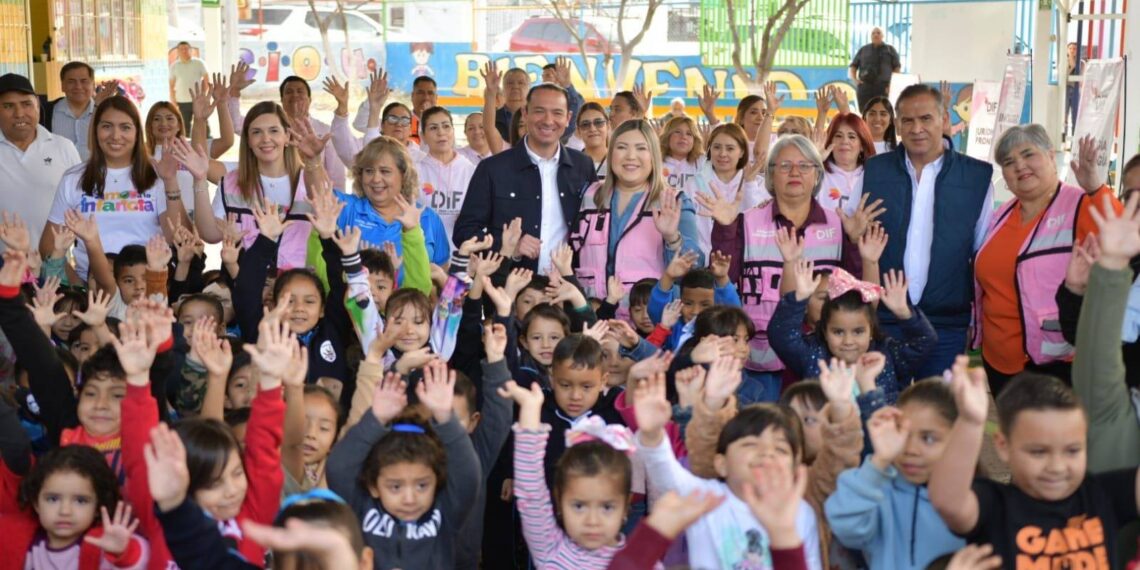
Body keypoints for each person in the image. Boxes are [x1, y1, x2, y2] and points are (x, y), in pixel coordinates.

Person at [700, 135, 876, 401]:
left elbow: (853, 292)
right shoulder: (746, 221)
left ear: (817, 174)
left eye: (805, 166)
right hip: (756, 358)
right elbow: (725, 276)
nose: (795, 172)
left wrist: (853, 242)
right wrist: (725, 227)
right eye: (785, 166)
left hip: (819, 358)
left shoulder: (838, 223)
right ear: (771, 175)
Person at [928, 356, 1140, 570]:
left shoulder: (1102, 495)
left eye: (1072, 450)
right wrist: (970, 422)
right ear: (1003, 445)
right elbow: (948, 502)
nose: (1057, 466)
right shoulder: (995, 505)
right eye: (1038, 452)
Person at [973, 127, 1118, 393]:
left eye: (1028, 154)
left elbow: (1123, 240)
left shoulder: (1081, 204)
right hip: (999, 361)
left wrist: (1096, 189)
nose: (1020, 166)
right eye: (1009, 162)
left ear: (1051, 156)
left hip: (1054, 363)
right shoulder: (1003, 213)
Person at [863, 83, 993, 378]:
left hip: (946, 323)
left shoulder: (976, 178)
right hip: (884, 321)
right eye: (907, 120)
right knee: (882, 413)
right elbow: (857, 240)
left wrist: (977, 316)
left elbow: (981, 254)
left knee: (936, 416)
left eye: (926, 119)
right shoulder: (873, 171)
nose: (916, 128)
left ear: (943, 119)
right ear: (897, 124)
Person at [40, 96, 189, 281]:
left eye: (125, 127)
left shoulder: (157, 175)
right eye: (107, 126)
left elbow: (177, 239)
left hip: (148, 287)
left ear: (137, 133)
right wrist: (78, 287)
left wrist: (170, 180)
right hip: (92, 288)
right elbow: (48, 246)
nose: (115, 135)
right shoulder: (74, 178)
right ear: (95, 131)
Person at [453, 83, 597, 274]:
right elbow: (464, 231)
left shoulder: (583, 166)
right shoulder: (492, 169)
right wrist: (509, 245)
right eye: (539, 111)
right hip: (507, 291)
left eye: (557, 113)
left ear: (568, 118)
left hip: (566, 289)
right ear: (525, 113)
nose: (548, 120)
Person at [824, 380, 966, 570]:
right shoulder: (879, 491)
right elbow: (845, 526)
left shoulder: (973, 503)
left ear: (959, 439)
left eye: (928, 438)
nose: (911, 449)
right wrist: (879, 462)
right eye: (902, 434)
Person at [568, 119, 702, 301]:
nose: (631, 156)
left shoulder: (674, 201)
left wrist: (672, 238)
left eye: (641, 148)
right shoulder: (589, 195)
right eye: (622, 147)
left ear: (653, 155)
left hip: (649, 318)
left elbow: (695, 271)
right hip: (593, 317)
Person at [227, 67, 347, 189]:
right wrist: (234, 91)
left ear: (309, 100)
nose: (295, 95)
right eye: (289, 92)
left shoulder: (325, 131)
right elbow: (236, 124)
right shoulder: (270, 127)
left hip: (313, 198)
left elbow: (336, 176)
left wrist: (336, 203)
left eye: (300, 91)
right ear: (282, 100)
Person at [0, 73, 81, 252]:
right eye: (8, 106)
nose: (19, 114)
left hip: (54, 262)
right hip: (5, 265)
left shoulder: (63, 148)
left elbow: (81, 205)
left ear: (37, 103)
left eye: (26, 104)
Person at [415, 106, 476, 241]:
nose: (441, 132)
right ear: (423, 136)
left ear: (453, 132)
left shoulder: (471, 171)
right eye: (433, 128)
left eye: (446, 126)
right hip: (426, 252)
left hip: (463, 253)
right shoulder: (414, 172)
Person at [40, 61, 116, 161]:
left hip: (96, 174)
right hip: (58, 175)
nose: (78, 86)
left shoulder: (105, 113)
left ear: (93, 85)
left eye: (84, 81)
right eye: (71, 81)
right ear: (62, 85)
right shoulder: (45, 112)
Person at [817, 113, 876, 215]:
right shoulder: (817, 173)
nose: (844, 141)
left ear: (862, 145)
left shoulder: (873, 176)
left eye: (852, 137)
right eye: (838, 136)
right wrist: (815, 161)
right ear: (830, 141)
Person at [849, 27, 901, 111]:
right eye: (873, 33)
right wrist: (855, 80)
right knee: (864, 111)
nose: (875, 35)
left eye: (878, 33)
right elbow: (853, 66)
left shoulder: (890, 50)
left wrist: (892, 85)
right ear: (870, 36)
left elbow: (897, 68)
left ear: (883, 36)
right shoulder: (863, 50)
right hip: (865, 87)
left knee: (882, 110)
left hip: (883, 88)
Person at [168, 42, 209, 138]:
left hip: (198, 100)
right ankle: (186, 145)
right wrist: (173, 99)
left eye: (186, 49)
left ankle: (207, 142)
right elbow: (171, 85)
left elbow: (207, 80)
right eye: (181, 49)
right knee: (184, 124)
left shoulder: (199, 63)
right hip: (182, 100)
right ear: (177, 51)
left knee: (203, 122)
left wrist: (204, 95)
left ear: (191, 50)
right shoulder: (174, 66)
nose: (184, 51)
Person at [576, 102, 610, 181]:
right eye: (585, 124)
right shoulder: (572, 163)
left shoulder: (618, 161)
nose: (592, 129)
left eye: (598, 122)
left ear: (608, 125)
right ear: (578, 130)